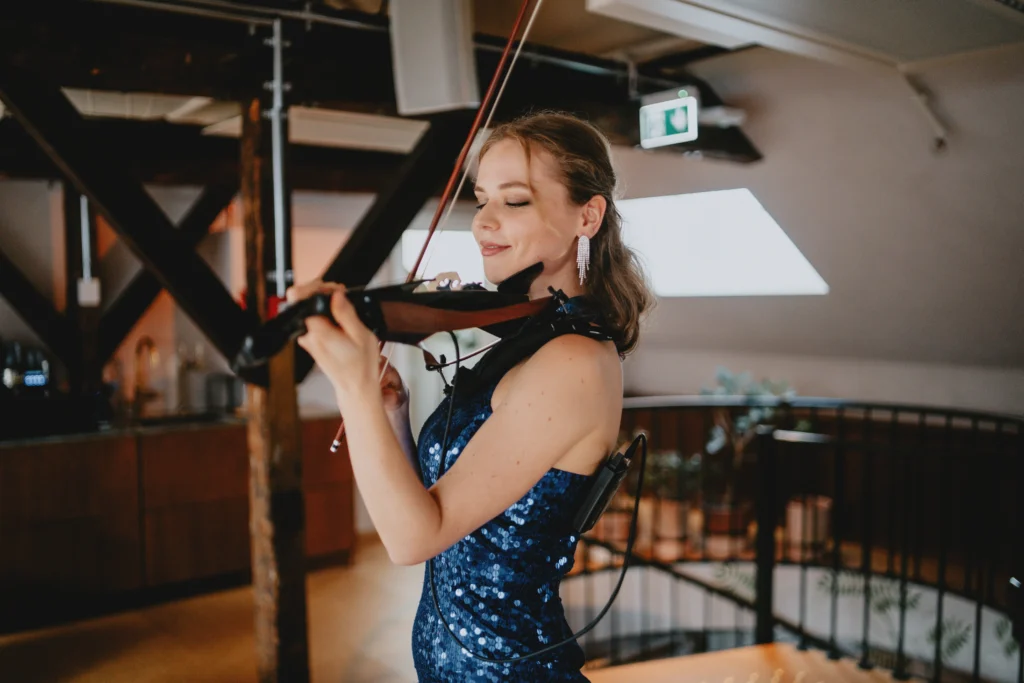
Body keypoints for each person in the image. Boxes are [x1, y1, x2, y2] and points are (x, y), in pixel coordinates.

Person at [289, 111, 653, 682]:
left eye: (514, 201)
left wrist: (352, 388)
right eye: (481, 199)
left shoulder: (573, 360)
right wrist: (390, 410)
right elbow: (434, 509)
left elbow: (412, 539)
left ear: (588, 214)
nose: (483, 222)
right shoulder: (531, 340)